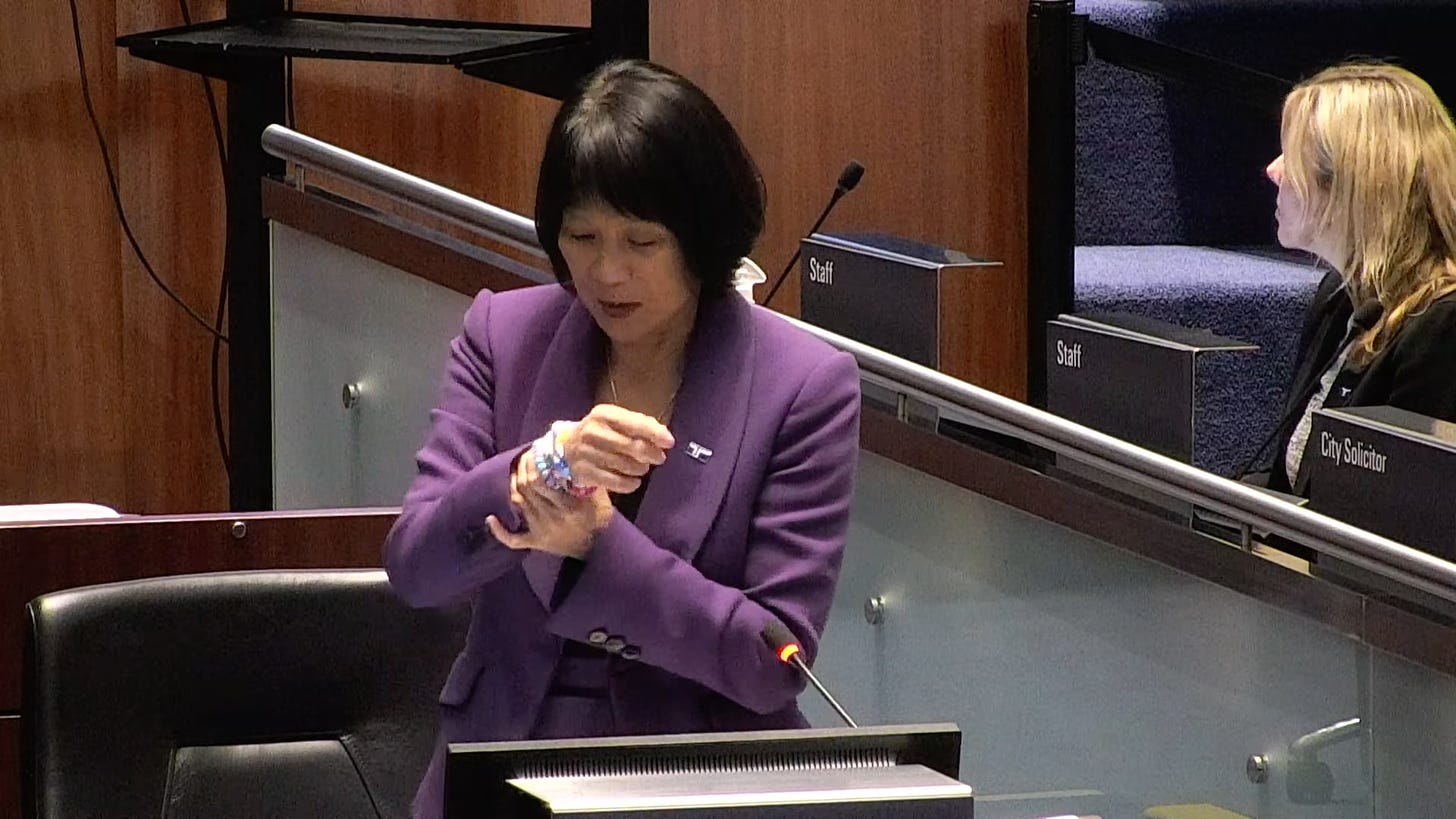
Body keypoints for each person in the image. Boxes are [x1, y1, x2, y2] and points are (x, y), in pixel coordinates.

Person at [382, 59, 862, 819]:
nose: (607, 272)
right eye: (583, 235)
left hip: (698, 782)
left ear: (702, 238)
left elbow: (775, 659)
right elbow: (415, 566)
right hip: (503, 766)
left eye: (642, 241)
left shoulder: (802, 384)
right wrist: (531, 476)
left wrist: (599, 546)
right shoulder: (504, 336)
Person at [1258, 62, 1456, 496]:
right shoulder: (1341, 296)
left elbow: (1404, 520)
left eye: (1292, 157)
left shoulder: (1442, 328)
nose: (1273, 170)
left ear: (1352, 187)